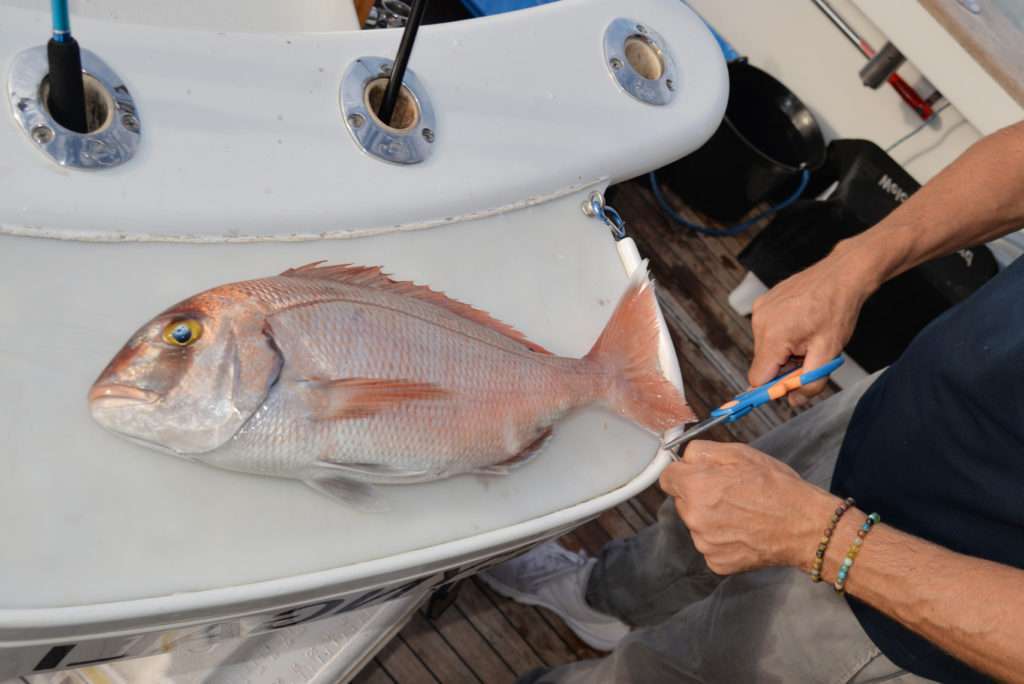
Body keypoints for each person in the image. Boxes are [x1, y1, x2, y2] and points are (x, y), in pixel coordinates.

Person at [481, 120, 1024, 683]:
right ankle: (600, 599)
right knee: (687, 534)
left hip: (915, 613)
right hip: (907, 404)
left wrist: (820, 537)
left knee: (669, 672)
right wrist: (852, 266)